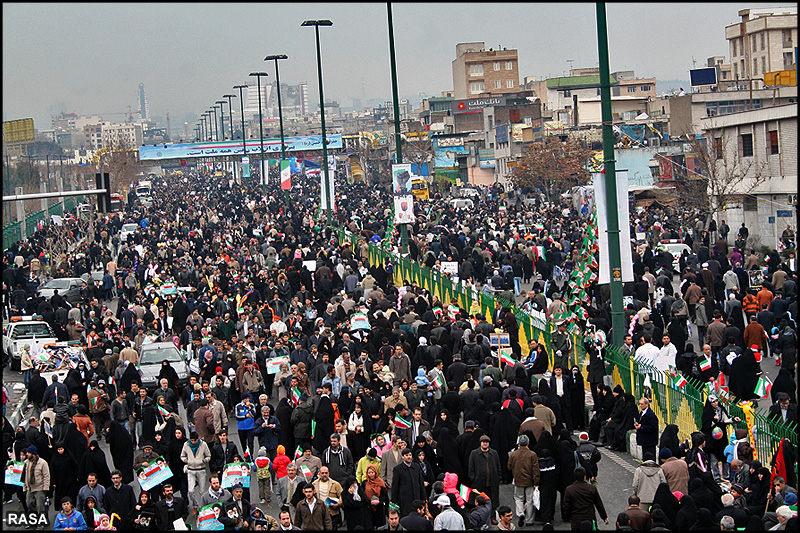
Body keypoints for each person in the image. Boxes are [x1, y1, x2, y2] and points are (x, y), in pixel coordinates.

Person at [507, 433, 540, 527]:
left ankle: (520, 513)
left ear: (519, 444)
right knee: (530, 500)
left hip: (518, 479)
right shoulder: (532, 454)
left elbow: (509, 466)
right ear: (528, 443)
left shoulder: (514, 454)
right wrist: (536, 481)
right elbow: (536, 470)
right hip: (529, 480)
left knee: (518, 498)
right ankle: (529, 520)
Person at [468, 435, 501, 512]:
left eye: (487, 442)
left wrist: (498, 477)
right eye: (483, 442)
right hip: (479, 482)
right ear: (480, 443)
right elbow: (470, 467)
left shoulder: (494, 453)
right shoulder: (474, 453)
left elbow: (498, 465)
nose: (485, 444)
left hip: (492, 482)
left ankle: (492, 517)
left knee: (492, 500)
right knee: (480, 500)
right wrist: (473, 478)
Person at [391, 447, 427, 518]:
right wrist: (394, 501)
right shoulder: (398, 469)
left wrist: (424, 497)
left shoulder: (416, 467)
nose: (409, 457)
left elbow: (420, 483)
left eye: (410, 455)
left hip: (416, 497)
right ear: (403, 457)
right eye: (407, 455)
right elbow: (395, 486)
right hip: (404, 499)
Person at [22, 445, 50, 518]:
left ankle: (41, 522)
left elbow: (46, 476)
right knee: (29, 504)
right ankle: (37, 516)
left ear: (33, 454)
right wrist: (24, 488)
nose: (27, 454)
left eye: (28, 453)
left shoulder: (42, 463)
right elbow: (24, 476)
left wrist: (46, 487)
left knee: (40, 507)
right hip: (29, 488)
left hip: (39, 488)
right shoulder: (26, 462)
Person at [312, 466, 343, 530]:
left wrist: (338, 503)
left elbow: (342, 495)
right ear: (319, 474)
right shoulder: (314, 484)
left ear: (328, 473)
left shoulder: (335, 484)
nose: (324, 475)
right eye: (322, 473)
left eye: (326, 473)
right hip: (319, 512)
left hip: (332, 512)